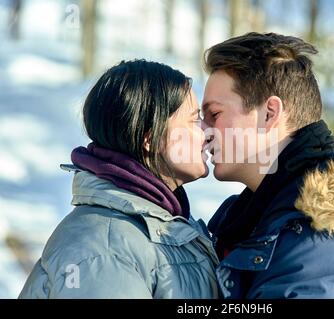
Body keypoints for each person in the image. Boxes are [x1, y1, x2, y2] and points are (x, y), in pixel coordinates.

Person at [202, 32, 334, 299]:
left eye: (215, 114)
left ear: (269, 114)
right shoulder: (251, 219)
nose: (203, 131)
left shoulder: (319, 244)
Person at [19, 60, 219, 298]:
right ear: (150, 138)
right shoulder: (105, 246)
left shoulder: (158, 228)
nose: (207, 133)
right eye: (194, 121)